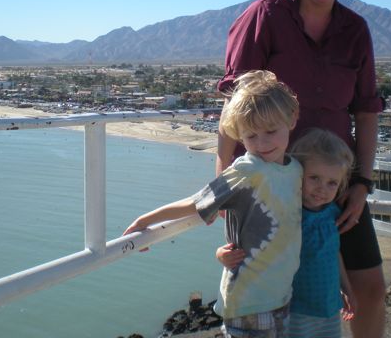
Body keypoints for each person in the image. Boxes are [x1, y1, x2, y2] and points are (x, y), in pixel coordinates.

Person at [217, 0, 385, 338]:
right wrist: (224, 182)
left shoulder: (355, 31)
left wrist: (362, 183)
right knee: (281, 293)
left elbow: (365, 113)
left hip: (335, 184)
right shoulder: (265, 16)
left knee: (370, 291)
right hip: (274, 182)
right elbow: (236, 108)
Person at [124, 70, 303, 338]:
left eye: (270, 131)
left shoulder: (295, 169)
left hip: (280, 294)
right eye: (251, 136)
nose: (262, 143)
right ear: (239, 135)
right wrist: (145, 221)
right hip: (248, 300)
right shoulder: (247, 169)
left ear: (291, 120)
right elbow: (197, 202)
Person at [218, 128, 358, 337]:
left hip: (329, 307)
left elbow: (333, 252)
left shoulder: (332, 213)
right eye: (314, 178)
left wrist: (346, 288)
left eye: (332, 183)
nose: (322, 189)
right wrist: (221, 254)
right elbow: (252, 243)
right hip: (295, 307)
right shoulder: (287, 213)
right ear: (297, 173)